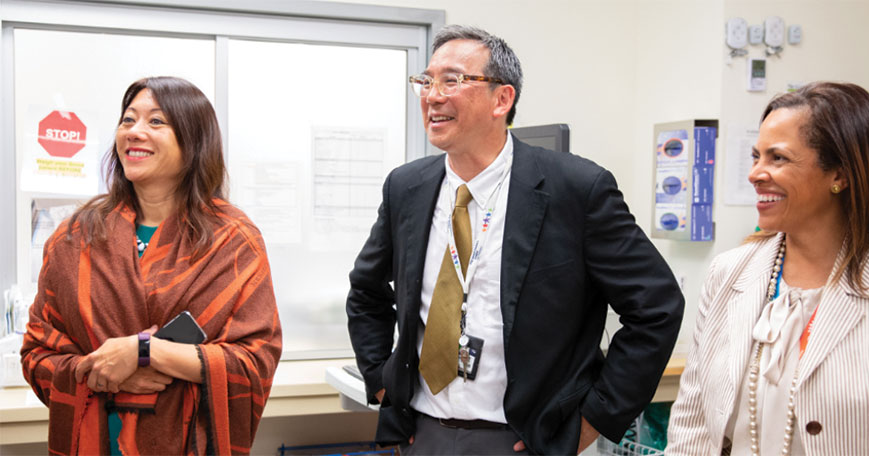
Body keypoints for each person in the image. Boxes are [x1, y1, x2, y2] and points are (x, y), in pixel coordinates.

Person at [346, 25, 684, 455]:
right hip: (421, 433)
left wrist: (594, 420)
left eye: (451, 80)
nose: (432, 96)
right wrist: (381, 384)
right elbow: (366, 291)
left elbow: (656, 306)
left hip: (523, 440)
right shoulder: (406, 187)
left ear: (501, 99)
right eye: (426, 81)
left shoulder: (576, 189)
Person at [667, 82, 869, 455]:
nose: (755, 173)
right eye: (756, 156)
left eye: (778, 158)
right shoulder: (729, 273)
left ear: (840, 175)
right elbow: (692, 427)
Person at [21, 76, 282, 455]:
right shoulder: (75, 236)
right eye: (128, 120)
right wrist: (103, 374)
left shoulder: (233, 239)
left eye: (155, 122)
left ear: (193, 140)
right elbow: (37, 354)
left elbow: (254, 362)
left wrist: (142, 352)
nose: (135, 132)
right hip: (96, 441)